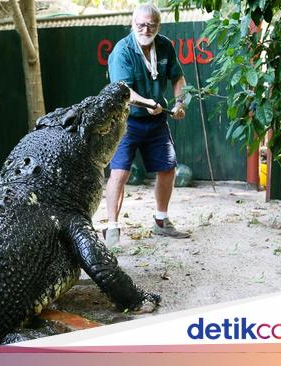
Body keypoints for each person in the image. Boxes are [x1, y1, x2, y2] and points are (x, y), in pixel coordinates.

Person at [104, 3, 189, 245]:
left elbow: (178, 77)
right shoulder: (123, 51)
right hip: (126, 121)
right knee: (119, 173)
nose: (145, 28)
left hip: (157, 120)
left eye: (151, 24)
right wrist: (149, 103)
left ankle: (161, 221)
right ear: (133, 23)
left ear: (158, 25)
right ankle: (112, 228)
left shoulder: (165, 45)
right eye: (140, 24)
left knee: (168, 168)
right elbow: (124, 91)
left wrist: (180, 102)